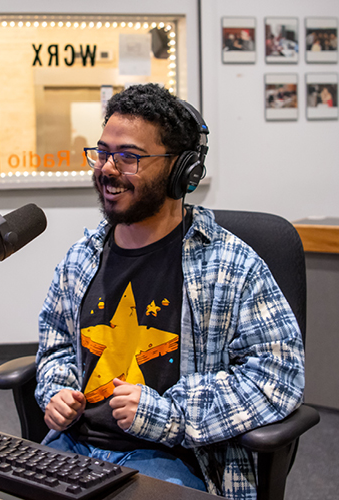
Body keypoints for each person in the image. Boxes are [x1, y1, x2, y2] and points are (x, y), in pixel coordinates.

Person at [35, 83, 304, 500]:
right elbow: (55, 349)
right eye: (103, 152)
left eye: (129, 157)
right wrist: (55, 391)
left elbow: (278, 375)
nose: (107, 168)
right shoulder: (81, 258)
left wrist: (170, 415)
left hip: (175, 457)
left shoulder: (229, 267)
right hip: (73, 445)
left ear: (182, 170)